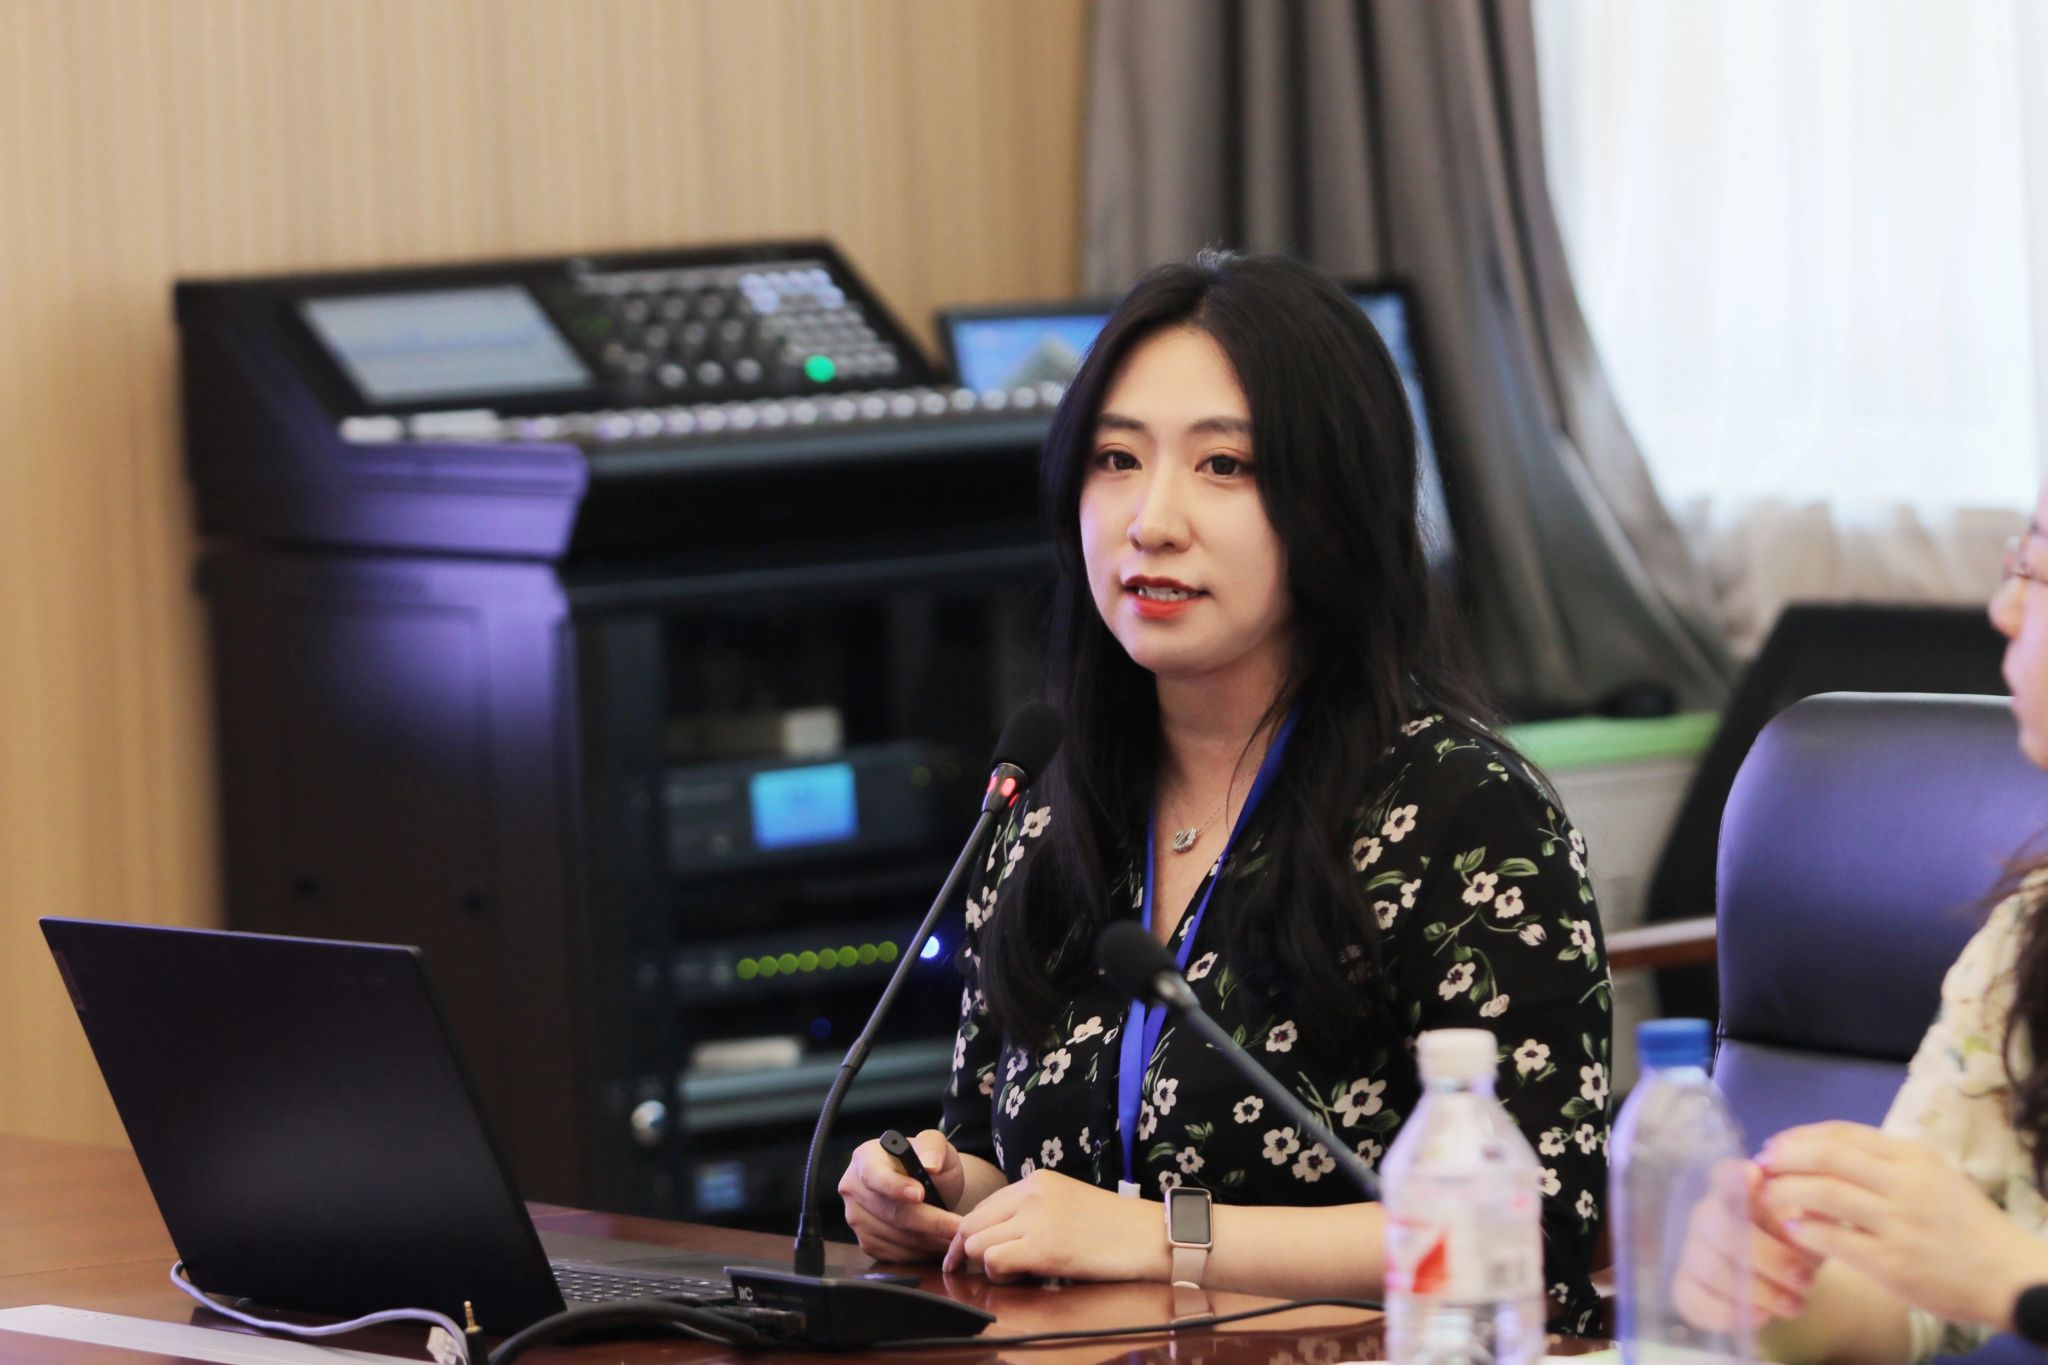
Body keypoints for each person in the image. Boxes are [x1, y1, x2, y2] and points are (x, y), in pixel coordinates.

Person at [836, 252, 1612, 1331]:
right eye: (1116, 459)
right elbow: (996, 1151)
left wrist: (1162, 1237)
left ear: (1334, 507)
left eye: (1225, 466)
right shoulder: (1042, 806)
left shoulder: (1464, 813)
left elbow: (1529, 1235)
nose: (1152, 520)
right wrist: (939, 1193)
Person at [1676, 481, 2048, 1363]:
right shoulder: (2028, 934)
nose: (2004, 609)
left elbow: (1984, 1269)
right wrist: (1777, 1288)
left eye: (2037, 570)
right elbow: (1913, 1301)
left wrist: (2010, 1275)